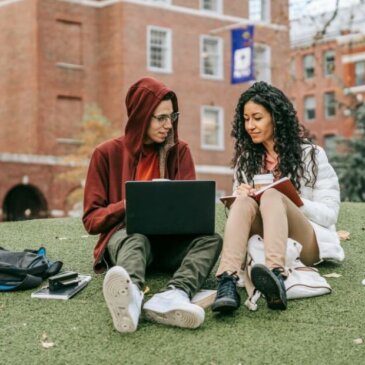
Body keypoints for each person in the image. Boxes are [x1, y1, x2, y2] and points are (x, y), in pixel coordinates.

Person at [82, 77, 222, 333]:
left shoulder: (180, 152)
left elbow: (190, 211)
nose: (169, 125)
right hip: (127, 239)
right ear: (140, 116)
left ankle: (175, 294)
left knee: (212, 239)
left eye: (172, 116)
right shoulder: (106, 154)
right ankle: (131, 296)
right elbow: (91, 221)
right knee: (137, 238)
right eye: (161, 118)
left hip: (170, 245)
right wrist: (129, 204)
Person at [211, 81, 344, 313]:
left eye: (257, 118)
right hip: (262, 237)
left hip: (306, 241)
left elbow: (330, 214)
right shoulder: (246, 160)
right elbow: (242, 218)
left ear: (276, 117)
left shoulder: (312, 156)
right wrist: (241, 196)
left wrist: (290, 198)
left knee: (273, 194)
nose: (250, 125)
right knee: (243, 201)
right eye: (246, 119)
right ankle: (227, 280)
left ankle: (276, 275)